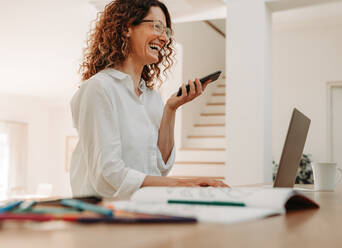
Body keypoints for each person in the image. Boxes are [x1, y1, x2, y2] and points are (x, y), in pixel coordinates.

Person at [70, 0, 228, 199]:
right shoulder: (99, 88)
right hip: (103, 216)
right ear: (127, 27)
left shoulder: (152, 98)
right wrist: (183, 183)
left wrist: (170, 109)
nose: (164, 38)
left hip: (143, 208)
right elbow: (108, 174)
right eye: (157, 27)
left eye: (167, 31)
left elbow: (158, 169)